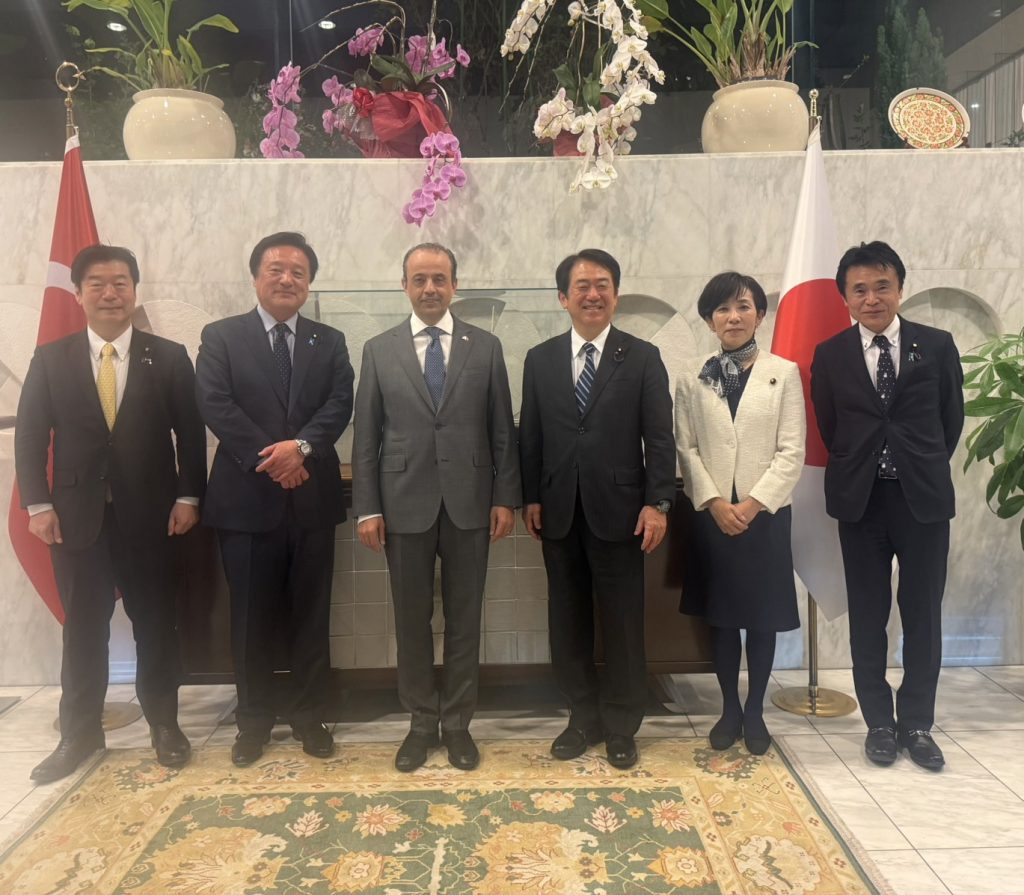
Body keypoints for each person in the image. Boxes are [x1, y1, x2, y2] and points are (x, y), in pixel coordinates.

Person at [15, 244, 207, 782]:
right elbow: (30, 437)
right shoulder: (50, 358)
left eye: (120, 282)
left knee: (156, 625)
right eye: (97, 284)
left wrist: (189, 497)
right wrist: (38, 504)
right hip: (75, 520)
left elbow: (191, 434)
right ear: (78, 293)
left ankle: (164, 725)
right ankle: (79, 734)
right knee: (82, 629)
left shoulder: (168, 356)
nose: (109, 293)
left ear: (134, 290)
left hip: (152, 518)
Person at [351, 242, 520, 772]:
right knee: (411, 619)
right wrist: (367, 508)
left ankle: (459, 725)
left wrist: (505, 497)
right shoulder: (378, 350)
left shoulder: (485, 347)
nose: (430, 288)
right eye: (420, 279)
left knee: (466, 618)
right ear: (404, 285)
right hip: (402, 505)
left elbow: (502, 430)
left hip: (471, 504)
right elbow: (366, 436)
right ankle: (421, 723)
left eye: (439, 279)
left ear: (454, 285)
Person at [196, 231, 354, 767]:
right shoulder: (222, 336)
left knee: (311, 614)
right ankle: (254, 721)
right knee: (249, 620)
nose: (287, 279)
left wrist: (301, 448)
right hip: (245, 501)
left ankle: (310, 717)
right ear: (255, 277)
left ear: (309, 283)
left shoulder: (329, 341)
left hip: (312, 501)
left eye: (298, 272)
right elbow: (214, 403)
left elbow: (340, 403)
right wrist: (276, 457)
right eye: (276, 269)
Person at [519, 248, 675, 770]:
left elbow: (660, 437)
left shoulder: (643, 356)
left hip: (623, 512)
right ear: (563, 298)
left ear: (616, 294)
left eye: (602, 284)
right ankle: (581, 717)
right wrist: (531, 496)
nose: (593, 294)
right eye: (581, 286)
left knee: (623, 622)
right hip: (559, 511)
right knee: (567, 619)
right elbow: (531, 434)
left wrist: (657, 503)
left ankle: (622, 724)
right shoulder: (540, 359)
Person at [811, 241, 964, 771]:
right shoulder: (830, 354)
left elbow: (950, 420)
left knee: (923, 615)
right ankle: (879, 722)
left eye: (882, 286)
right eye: (860, 290)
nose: (872, 298)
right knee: (868, 615)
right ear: (845, 298)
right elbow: (831, 425)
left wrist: (916, 463)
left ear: (900, 288)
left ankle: (916, 724)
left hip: (922, 501)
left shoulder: (936, 345)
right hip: (861, 502)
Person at [675, 272, 805, 755]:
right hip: (713, 517)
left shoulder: (783, 373)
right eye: (723, 309)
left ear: (760, 314)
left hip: (764, 516)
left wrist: (751, 504)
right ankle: (729, 708)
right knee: (723, 618)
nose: (734, 316)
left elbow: (792, 451)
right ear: (710, 320)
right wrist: (714, 502)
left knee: (762, 618)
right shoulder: (692, 376)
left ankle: (755, 712)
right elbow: (686, 447)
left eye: (743, 306)